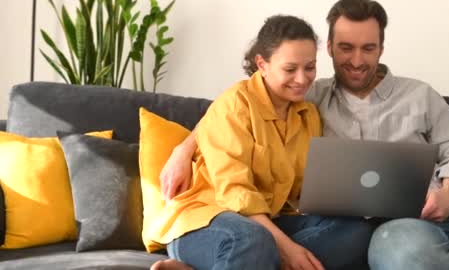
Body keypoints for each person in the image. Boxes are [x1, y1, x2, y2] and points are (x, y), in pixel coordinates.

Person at [162, 0, 449, 269]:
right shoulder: (307, 97)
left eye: (368, 48)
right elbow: (239, 106)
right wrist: (186, 145)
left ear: (382, 46)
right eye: (345, 48)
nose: (357, 60)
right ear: (331, 48)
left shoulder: (420, 95)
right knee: (409, 258)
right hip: (398, 231)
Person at [150, 15, 375, 270]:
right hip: (204, 219)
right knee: (253, 240)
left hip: (268, 220)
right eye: (290, 69)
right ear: (262, 64)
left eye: (310, 67)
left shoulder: (308, 115)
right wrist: (288, 248)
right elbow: (235, 194)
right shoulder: (235, 104)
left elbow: (303, 192)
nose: (302, 79)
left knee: (355, 232)